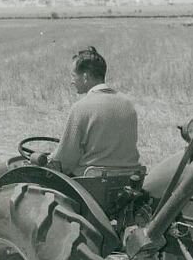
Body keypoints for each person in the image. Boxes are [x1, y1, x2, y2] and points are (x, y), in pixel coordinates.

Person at [50, 46, 141, 176]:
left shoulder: (81, 108)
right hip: (127, 178)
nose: (72, 81)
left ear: (85, 77)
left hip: (91, 182)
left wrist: (50, 160)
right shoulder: (127, 104)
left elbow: (64, 161)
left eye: (73, 75)